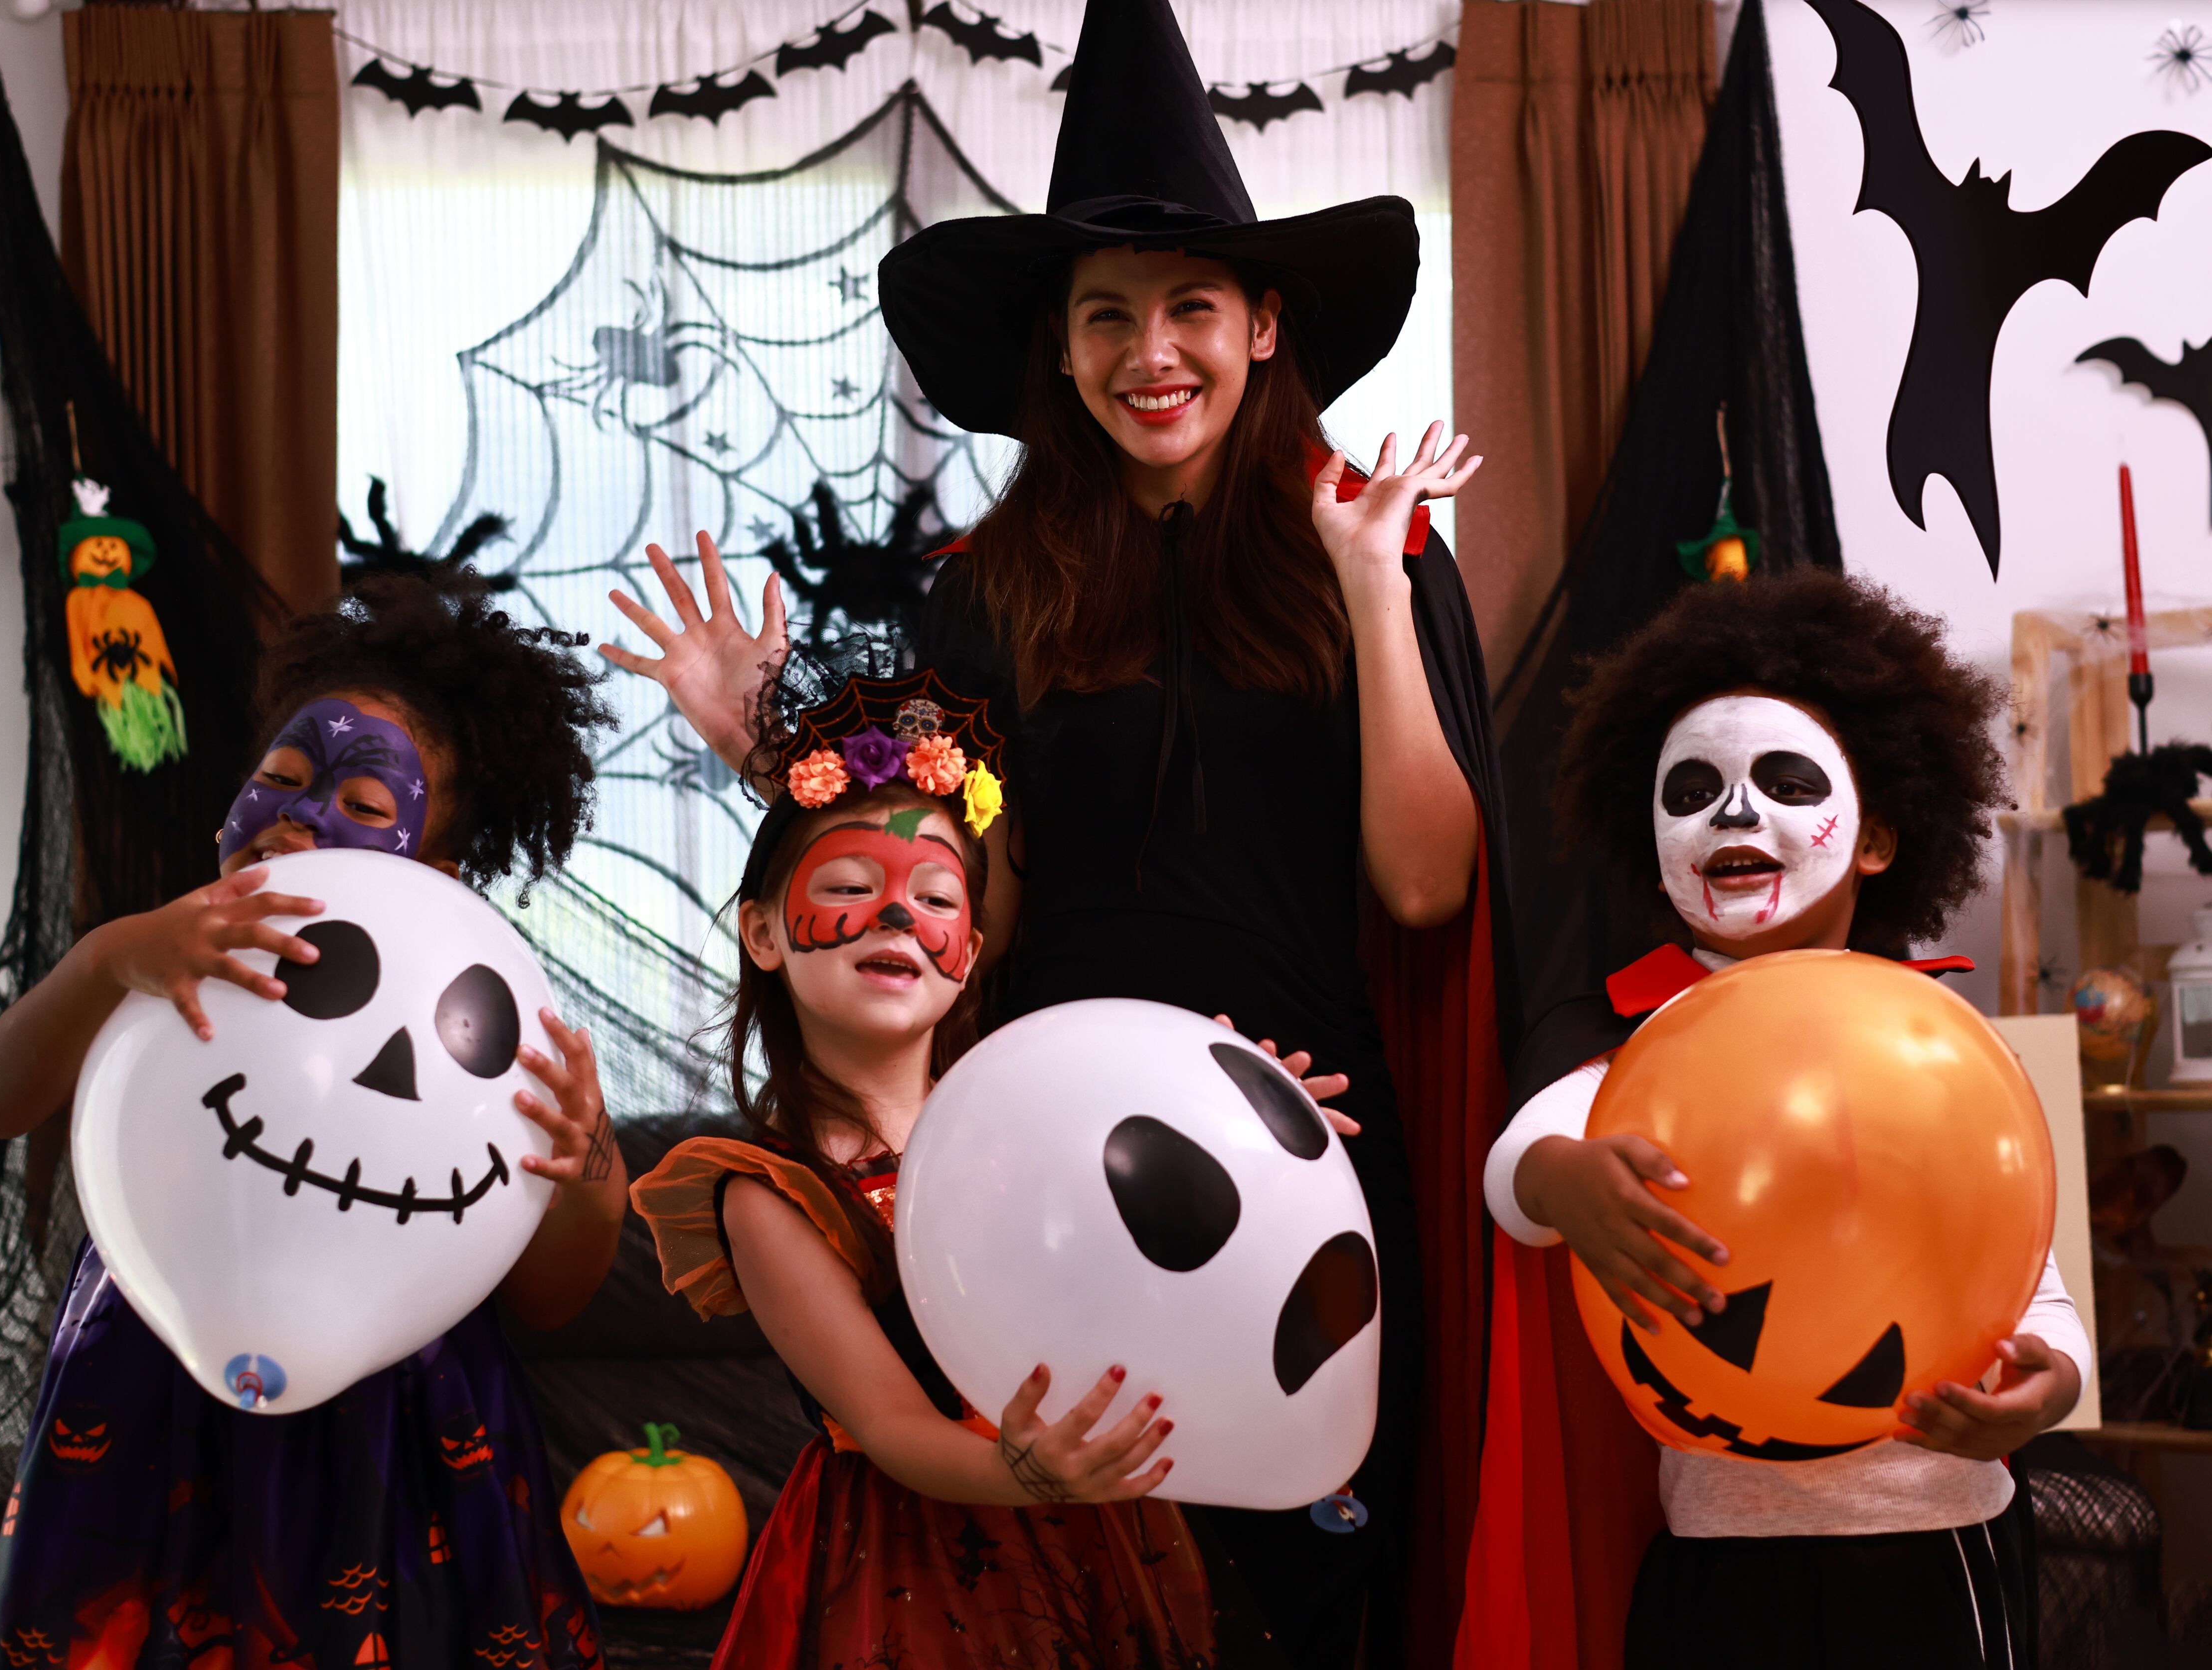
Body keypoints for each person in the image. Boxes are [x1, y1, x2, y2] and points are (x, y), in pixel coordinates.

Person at [600, 3, 1514, 1661]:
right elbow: (975, 900)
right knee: (1104, 1573)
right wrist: (771, 758)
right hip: (1053, 1152)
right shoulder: (991, 597)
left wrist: (1375, 591)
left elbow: (1429, 880)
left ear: (1261, 323)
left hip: (1307, 1127)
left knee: (1318, 1586)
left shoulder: (1371, 548)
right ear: (1059, 348)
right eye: (1107, 318)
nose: (1148, 353)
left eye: (1190, 310)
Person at [0, 576, 621, 1670]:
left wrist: (588, 1155)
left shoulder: (485, 1028)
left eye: (363, 808)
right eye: (276, 778)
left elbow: (553, 1295)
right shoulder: (170, 954)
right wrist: (105, 957)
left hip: (403, 1428)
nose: (296, 817)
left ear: (440, 873)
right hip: (148, 1390)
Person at [633, 667, 1340, 1668]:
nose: (894, 917)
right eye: (845, 887)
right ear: (761, 932)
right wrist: (1026, 1473)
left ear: (969, 946)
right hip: (917, 1562)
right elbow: (887, 1424)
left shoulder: (1045, 1122)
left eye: (934, 897)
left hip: (1107, 1523)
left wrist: (1252, 1126)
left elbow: (1165, 1267)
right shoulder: (767, 1192)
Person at [1472, 570, 2089, 1670]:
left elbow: (2034, 1278)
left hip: (1939, 1532)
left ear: (1876, 838)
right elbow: (1518, 1173)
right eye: (1693, 788)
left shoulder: (1943, 1037)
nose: (1735, 815)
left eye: (1783, 780)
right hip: (1721, 1543)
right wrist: (1559, 1179)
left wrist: (2056, 1382)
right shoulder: (1624, 1028)